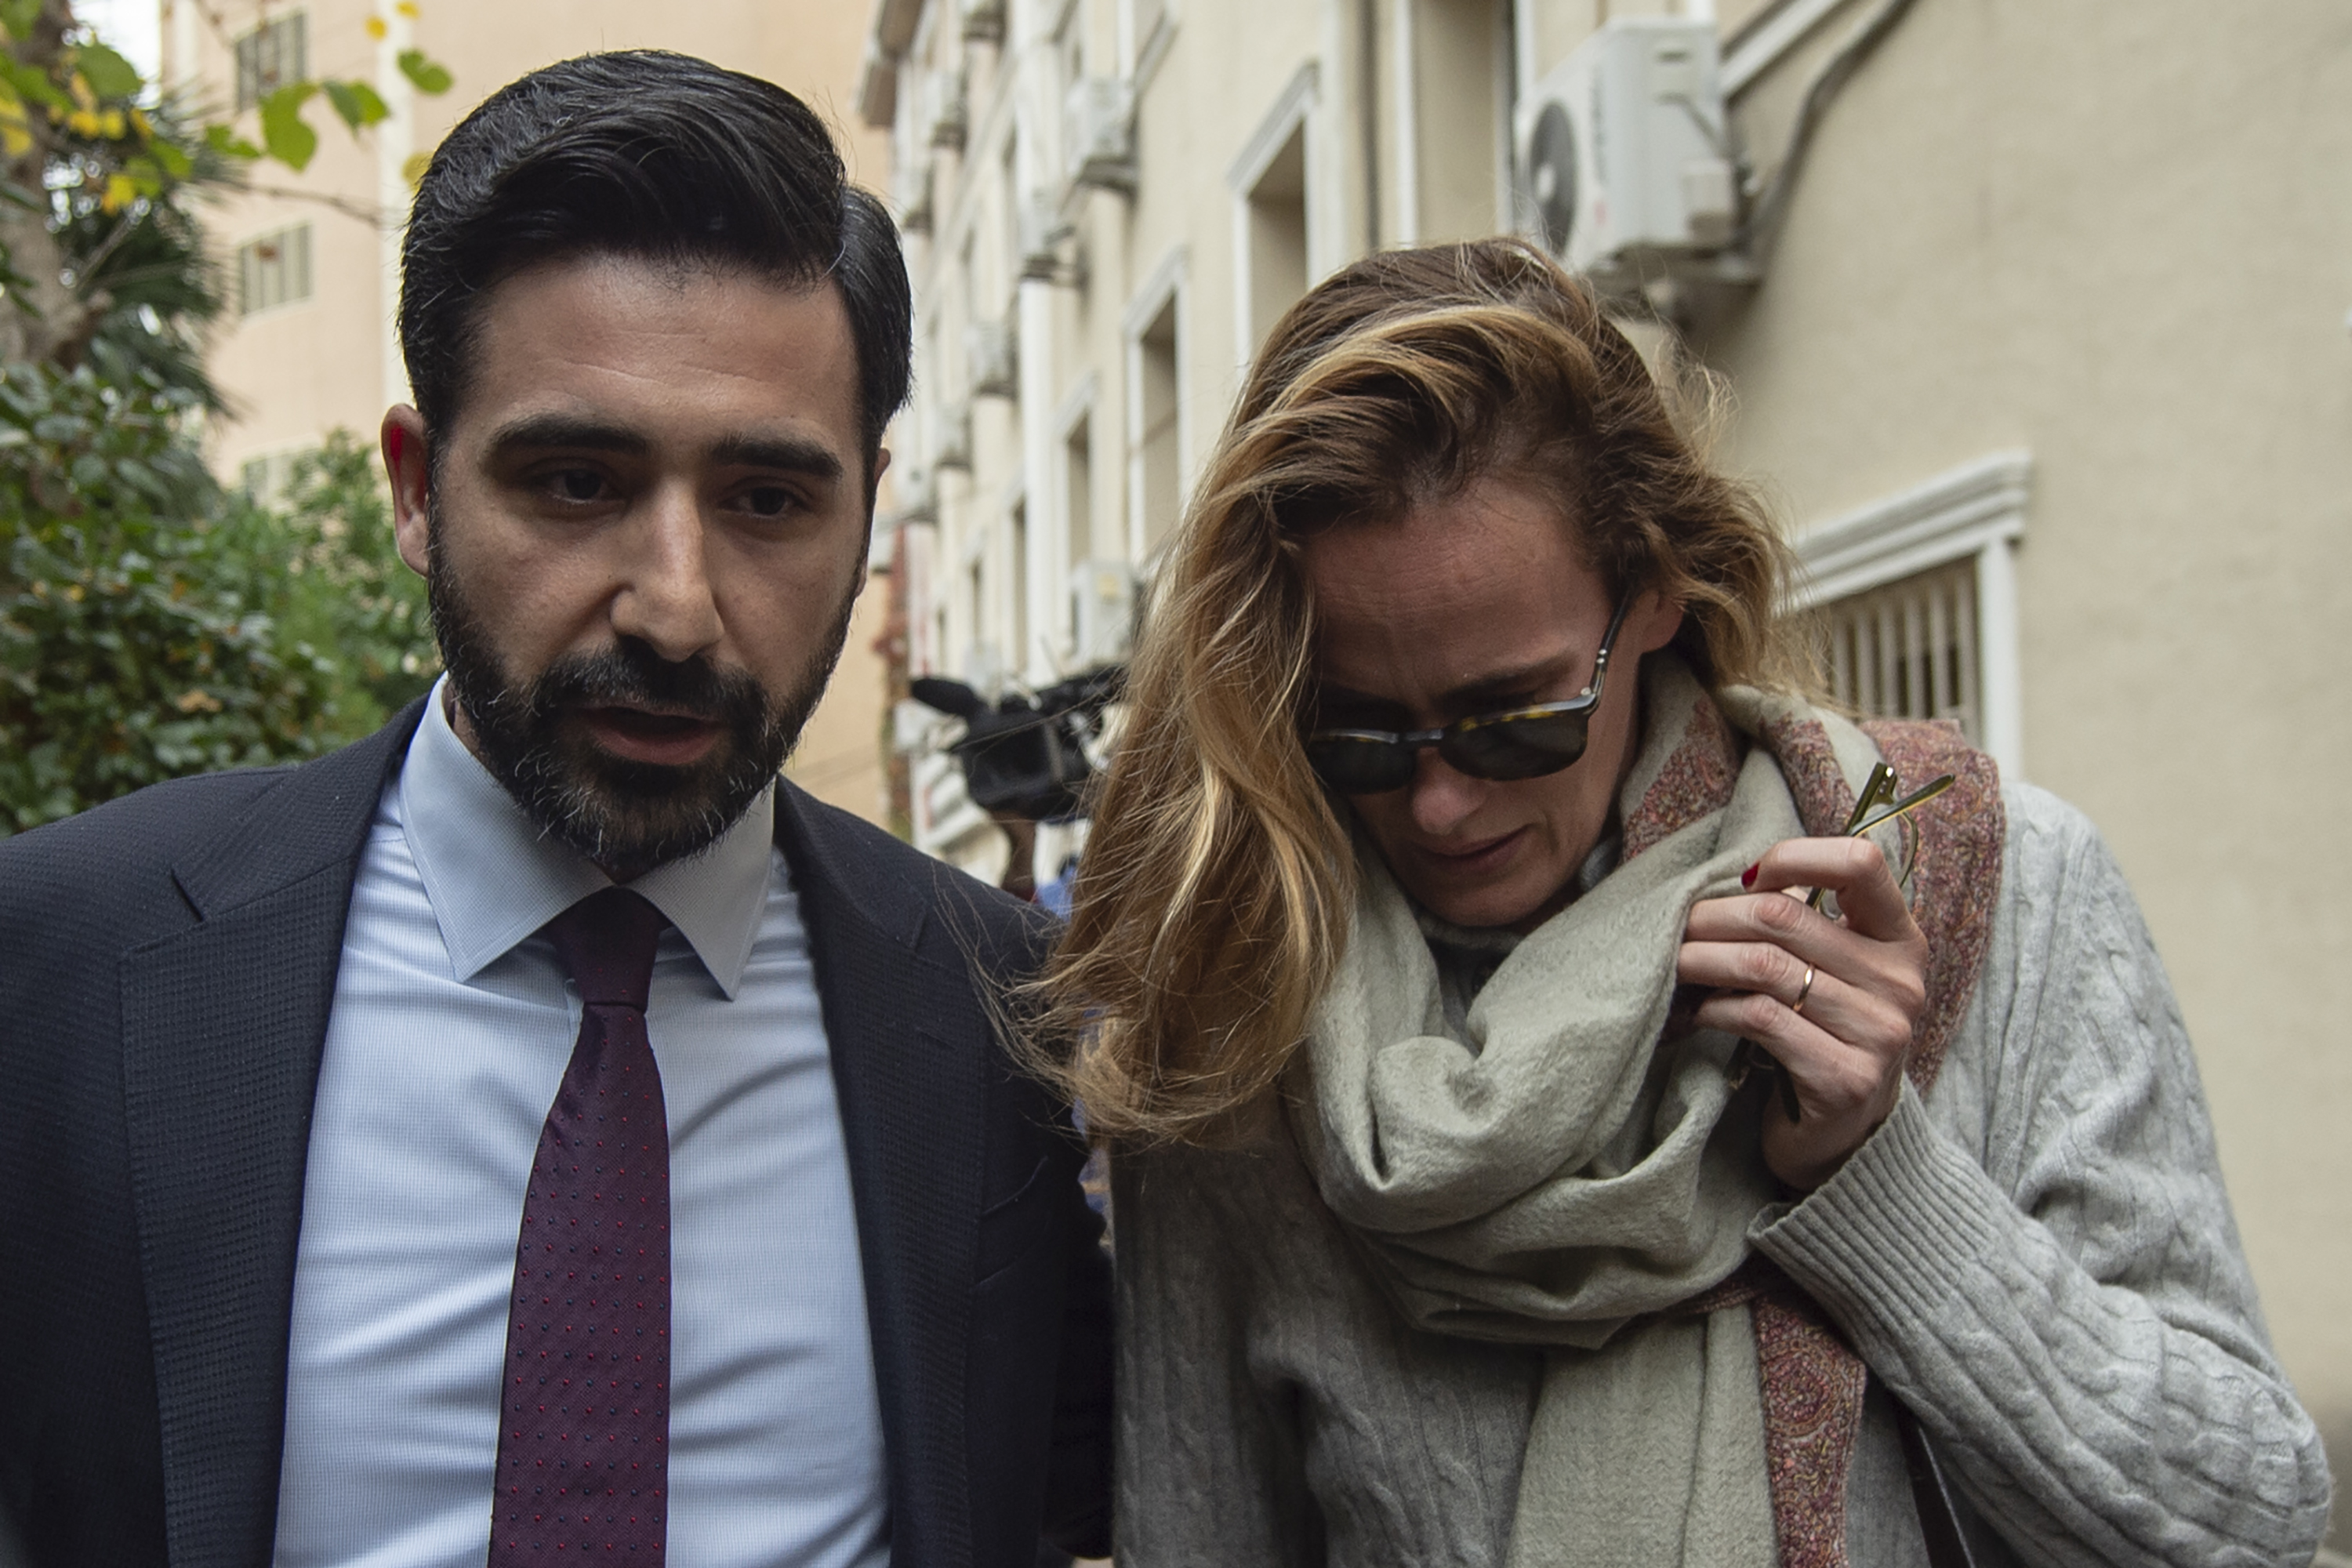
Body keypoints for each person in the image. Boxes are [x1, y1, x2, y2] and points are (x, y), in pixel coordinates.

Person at [1036, 239, 2329, 1566]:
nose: (1439, 806)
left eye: (1513, 718)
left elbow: (2252, 1526)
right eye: (1361, 732)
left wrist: (1884, 1187)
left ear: (1655, 589)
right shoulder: (1240, 1022)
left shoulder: (1984, 883)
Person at [0, 53, 1110, 1568]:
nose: (674, 604)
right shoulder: (62, 966)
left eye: (769, 500)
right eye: (577, 481)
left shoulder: (1005, 1027)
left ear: (868, 519)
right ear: (414, 488)